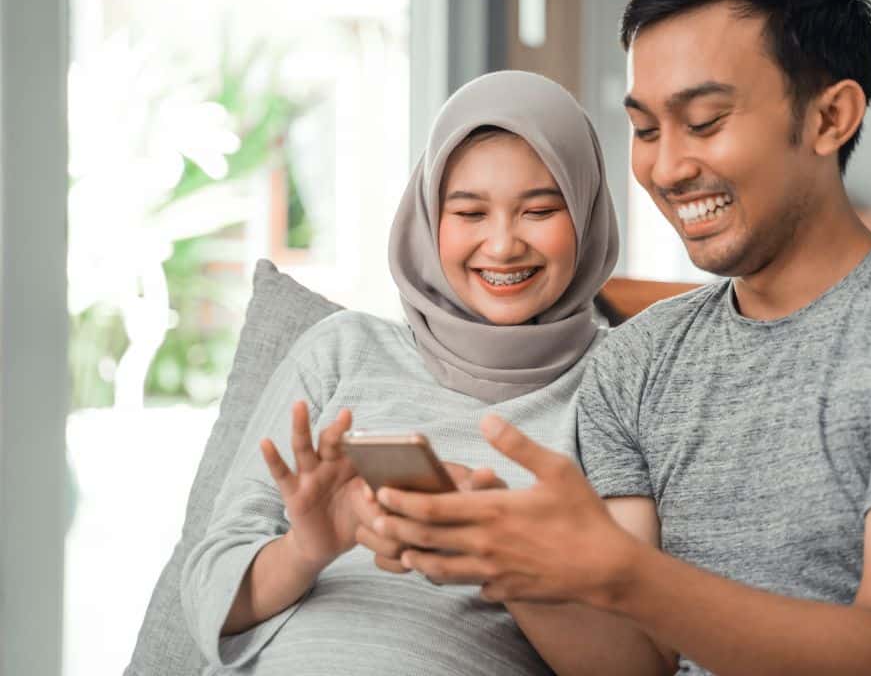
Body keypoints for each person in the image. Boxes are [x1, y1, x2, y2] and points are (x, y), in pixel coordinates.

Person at [368, 0, 871, 674]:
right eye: (644, 130)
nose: (666, 169)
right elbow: (636, 665)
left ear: (830, 117)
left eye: (703, 121)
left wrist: (621, 573)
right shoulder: (633, 364)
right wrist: (516, 566)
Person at [179, 69, 619, 675]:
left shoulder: (618, 384)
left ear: (588, 210)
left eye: (539, 210)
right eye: (468, 212)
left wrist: (504, 559)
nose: (502, 244)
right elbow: (206, 593)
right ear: (428, 219)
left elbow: (634, 659)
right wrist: (308, 547)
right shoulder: (343, 349)